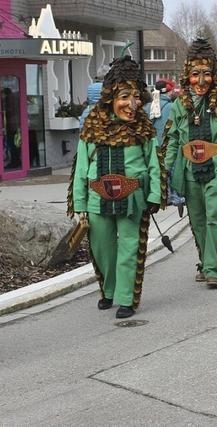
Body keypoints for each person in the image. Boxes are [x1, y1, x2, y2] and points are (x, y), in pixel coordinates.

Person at [68, 55, 163, 319]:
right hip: (97, 198)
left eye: (135, 97)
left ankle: (126, 298)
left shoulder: (143, 128)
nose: (131, 104)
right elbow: (80, 169)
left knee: (129, 247)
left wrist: (154, 194)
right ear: (111, 97)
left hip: (133, 197)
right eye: (124, 97)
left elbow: (154, 164)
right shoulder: (92, 127)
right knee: (102, 248)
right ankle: (109, 290)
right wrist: (80, 204)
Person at [164, 38, 217, 289]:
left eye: (206, 74)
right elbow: (173, 139)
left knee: (213, 216)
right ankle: (205, 261)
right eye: (196, 74)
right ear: (188, 75)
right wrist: (164, 171)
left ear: (214, 75)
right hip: (189, 169)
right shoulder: (179, 105)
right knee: (197, 219)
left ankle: (212, 269)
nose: (201, 81)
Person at [144, 79, 186, 215]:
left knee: (157, 170)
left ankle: (161, 196)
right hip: (168, 144)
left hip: (153, 144)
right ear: (168, 91)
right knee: (171, 169)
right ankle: (176, 197)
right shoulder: (172, 107)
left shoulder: (147, 107)